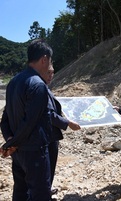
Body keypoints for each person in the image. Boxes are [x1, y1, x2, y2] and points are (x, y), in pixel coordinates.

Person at [0, 39, 53, 201]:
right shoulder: (38, 85)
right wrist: (11, 144)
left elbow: (5, 118)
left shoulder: (14, 82)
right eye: (49, 61)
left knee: (20, 192)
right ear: (44, 59)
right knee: (40, 195)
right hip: (34, 152)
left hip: (18, 153)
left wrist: (10, 140)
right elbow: (29, 123)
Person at [40, 64, 81, 195]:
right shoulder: (39, 88)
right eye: (48, 73)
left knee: (50, 166)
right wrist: (68, 123)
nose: (51, 76)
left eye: (53, 73)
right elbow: (49, 114)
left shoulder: (46, 87)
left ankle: (47, 189)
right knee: (45, 167)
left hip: (50, 135)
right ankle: (44, 193)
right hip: (46, 136)